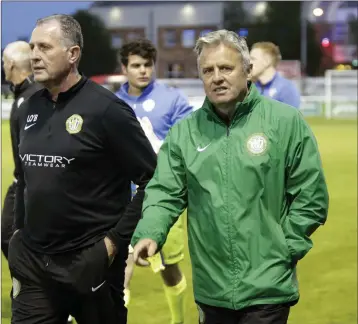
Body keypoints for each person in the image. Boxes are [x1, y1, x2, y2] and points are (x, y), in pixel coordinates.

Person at [131, 30, 329, 324]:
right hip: (211, 289)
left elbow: (311, 197)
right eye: (208, 70)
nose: (217, 77)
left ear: (247, 70)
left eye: (226, 68)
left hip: (268, 288)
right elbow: (164, 192)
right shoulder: (185, 133)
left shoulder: (286, 122)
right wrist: (149, 231)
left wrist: (284, 248)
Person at [8, 14, 157, 324]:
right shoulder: (29, 107)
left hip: (90, 263)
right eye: (33, 47)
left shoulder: (107, 110)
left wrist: (113, 243)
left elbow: (153, 180)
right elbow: (24, 177)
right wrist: (19, 235)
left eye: (45, 47)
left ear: (73, 54)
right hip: (33, 263)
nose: (35, 55)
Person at [115, 38, 193, 324]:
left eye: (147, 65)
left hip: (164, 197)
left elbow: (189, 139)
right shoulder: (112, 103)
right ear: (124, 68)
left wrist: (160, 149)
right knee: (118, 265)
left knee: (169, 268)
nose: (143, 71)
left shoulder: (172, 100)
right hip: (121, 199)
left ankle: (178, 320)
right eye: (136, 65)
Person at [1, 41, 42, 260]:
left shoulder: (30, 99)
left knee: (10, 236)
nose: (3, 67)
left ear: (13, 64)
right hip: (24, 183)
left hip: (28, 186)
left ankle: (35, 285)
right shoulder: (26, 95)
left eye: (4, 62)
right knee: (10, 237)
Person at [250, 41, 301, 108]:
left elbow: (290, 117)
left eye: (253, 59)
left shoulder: (286, 89)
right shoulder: (251, 89)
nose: (249, 63)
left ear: (267, 61)